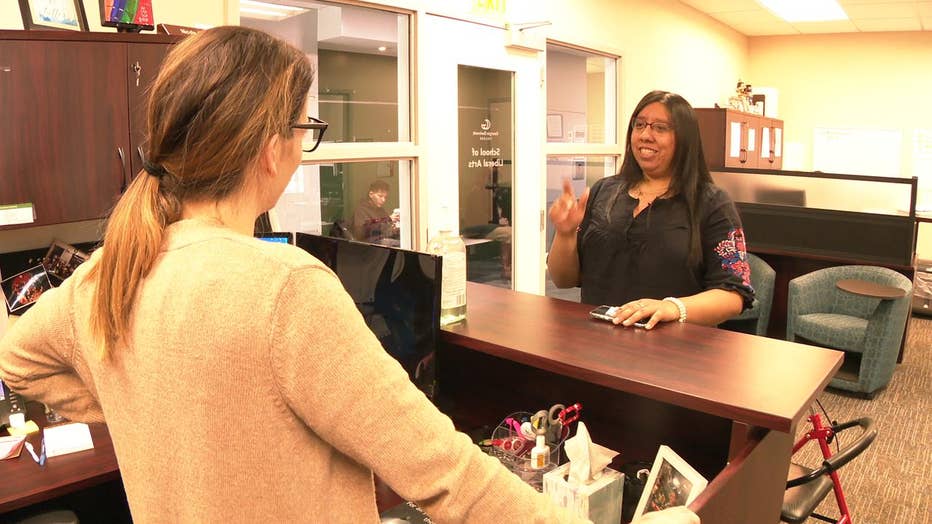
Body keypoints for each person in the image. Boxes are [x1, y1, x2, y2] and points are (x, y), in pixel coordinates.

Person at [0, 28, 699, 524]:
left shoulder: (113, 273)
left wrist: (144, 403)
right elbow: (446, 478)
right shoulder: (284, 289)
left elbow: (16, 360)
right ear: (270, 147)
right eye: (304, 128)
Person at [548, 90, 753, 329]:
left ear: (684, 138)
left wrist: (672, 307)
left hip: (673, 352)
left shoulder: (712, 203)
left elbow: (733, 294)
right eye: (640, 125)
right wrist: (565, 234)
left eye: (660, 128)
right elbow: (564, 280)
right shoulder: (605, 191)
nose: (645, 135)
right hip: (598, 342)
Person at [353, 179, 400, 245]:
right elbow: (362, 231)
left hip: (381, 240)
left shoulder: (381, 210)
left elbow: (383, 229)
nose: (383, 200)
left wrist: (393, 229)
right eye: (380, 196)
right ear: (371, 194)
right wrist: (387, 219)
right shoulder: (361, 210)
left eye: (385, 197)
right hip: (367, 245)